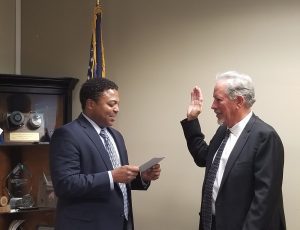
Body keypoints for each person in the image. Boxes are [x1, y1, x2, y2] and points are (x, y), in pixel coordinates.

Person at [50, 77, 161, 230]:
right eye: (111, 104)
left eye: (118, 104)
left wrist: (141, 177)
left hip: (121, 224)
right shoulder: (67, 134)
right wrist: (111, 176)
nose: (117, 109)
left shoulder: (116, 136)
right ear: (90, 104)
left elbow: (118, 183)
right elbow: (65, 184)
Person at [180, 71, 285, 230]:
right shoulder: (224, 130)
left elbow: (264, 202)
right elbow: (204, 158)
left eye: (218, 99)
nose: (212, 105)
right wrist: (192, 119)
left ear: (239, 101)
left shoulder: (265, 137)